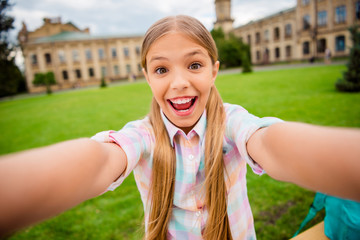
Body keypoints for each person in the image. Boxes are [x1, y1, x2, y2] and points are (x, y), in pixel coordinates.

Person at [0, 15, 359, 239]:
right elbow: (97, 162)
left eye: (194, 65)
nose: (179, 83)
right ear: (146, 77)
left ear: (214, 70)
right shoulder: (142, 136)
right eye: (161, 69)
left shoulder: (231, 122)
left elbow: (273, 145)